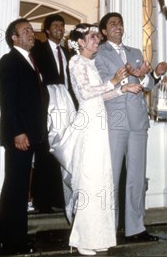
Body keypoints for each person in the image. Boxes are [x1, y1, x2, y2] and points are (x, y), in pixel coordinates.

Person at [61, 23, 144, 256]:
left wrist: (123, 89)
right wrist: (114, 81)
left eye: (98, 37)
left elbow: (102, 93)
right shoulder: (76, 62)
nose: (97, 41)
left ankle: (98, 236)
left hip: (100, 121)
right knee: (89, 181)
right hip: (88, 123)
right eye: (92, 37)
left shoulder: (90, 63)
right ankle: (82, 239)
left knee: (101, 181)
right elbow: (86, 93)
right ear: (80, 42)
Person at [95, 12, 167, 243]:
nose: (118, 27)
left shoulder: (135, 53)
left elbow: (146, 85)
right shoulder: (98, 53)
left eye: (121, 23)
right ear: (105, 31)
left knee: (136, 175)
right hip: (115, 117)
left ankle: (135, 227)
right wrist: (129, 77)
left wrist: (150, 74)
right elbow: (100, 87)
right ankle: (107, 228)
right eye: (113, 24)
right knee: (111, 175)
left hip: (138, 119)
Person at [0, 18, 48, 255]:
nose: (30, 33)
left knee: (16, 186)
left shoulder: (30, 60)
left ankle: (5, 236)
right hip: (20, 135)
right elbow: (7, 100)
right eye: (24, 31)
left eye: (30, 30)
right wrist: (17, 131)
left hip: (32, 133)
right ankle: (14, 240)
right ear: (13, 37)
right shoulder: (9, 61)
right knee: (16, 187)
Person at [31, 13, 74, 213]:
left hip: (66, 108)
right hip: (47, 108)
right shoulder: (37, 51)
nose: (59, 29)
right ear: (47, 30)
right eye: (55, 25)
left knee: (63, 152)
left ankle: (59, 199)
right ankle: (42, 201)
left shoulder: (68, 53)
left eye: (62, 25)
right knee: (44, 152)